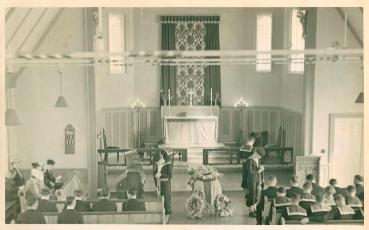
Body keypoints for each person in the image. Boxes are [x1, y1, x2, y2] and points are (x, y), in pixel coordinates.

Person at [241, 147, 265, 217]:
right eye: (259, 156)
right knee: (252, 194)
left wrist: (261, 170)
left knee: (256, 194)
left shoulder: (257, 159)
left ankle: (254, 208)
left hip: (256, 178)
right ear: (256, 153)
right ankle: (251, 211)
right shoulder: (249, 160)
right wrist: (259, 170)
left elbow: (257, 168)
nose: (260, 157)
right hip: (251, 180)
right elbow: (250, 172)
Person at [154, 149, 173, 220]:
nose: (160, 155)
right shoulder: (159, 163)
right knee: (160, 198)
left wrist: (161, 174)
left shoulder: (168, 163)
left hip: (165, 183)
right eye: (160, 154)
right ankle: (162, 212)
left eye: (161, 154)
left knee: (166, 198)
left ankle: (167, 212)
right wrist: (156, 173)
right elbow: (156, 172)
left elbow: (170, 175)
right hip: (159, 183)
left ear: (164, 155)